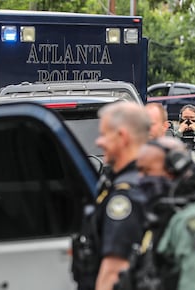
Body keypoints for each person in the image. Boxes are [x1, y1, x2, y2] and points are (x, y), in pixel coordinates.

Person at [115, 137, 195, 290]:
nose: (140, 179)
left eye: (147, 171)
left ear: (174, 170)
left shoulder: (194, 220)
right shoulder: (168, 210)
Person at [71, 102, 150, 290]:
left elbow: (114, 271)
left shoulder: (124, 196)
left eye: (104, 135)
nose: (98, 142)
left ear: (122, 137)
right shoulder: (144, 179)